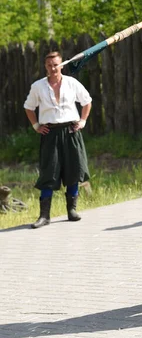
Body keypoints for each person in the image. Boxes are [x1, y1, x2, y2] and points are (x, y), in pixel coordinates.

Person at [24, 51, 92, 229]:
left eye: (56, 64)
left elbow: (87, 101)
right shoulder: (38, 86)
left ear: (61, 65)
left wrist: (83, 121)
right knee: (49, 172)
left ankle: (72, 210)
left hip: (71, 131)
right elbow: (28, 107)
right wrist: (36, 125)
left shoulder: (71, 83)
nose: (53, 68)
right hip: (50, 133)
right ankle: (44, 216)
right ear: (45, 67)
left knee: (73, 170)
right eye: (49, 65)